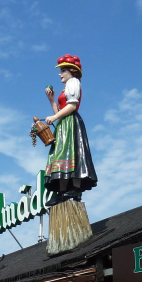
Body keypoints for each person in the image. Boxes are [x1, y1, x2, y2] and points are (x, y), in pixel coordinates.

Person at [43, 54, 97, 207]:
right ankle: (62, 192)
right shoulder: (65, 88)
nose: (60, 74)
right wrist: (52, 101)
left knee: (72, 152)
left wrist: (54, 119)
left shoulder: (74, 82)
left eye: (63, 71)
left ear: (72, 72)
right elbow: (58, 112)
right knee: (61, 154)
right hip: (63, 123)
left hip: (71, 123)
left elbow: (71, 106)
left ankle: (75, 188)